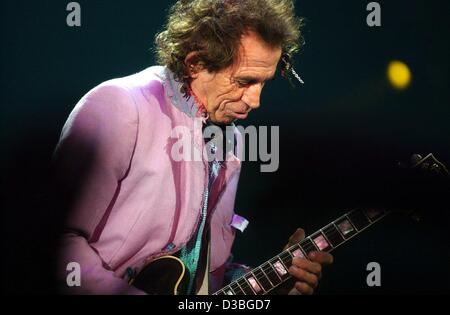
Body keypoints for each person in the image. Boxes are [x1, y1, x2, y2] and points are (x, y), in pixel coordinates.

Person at [53, 0, 333, 295]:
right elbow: (52, 241)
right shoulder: (119, 106)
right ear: (196, 64)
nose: (255, 100)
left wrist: (271, 283)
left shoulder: (231, 138)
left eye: (264, 83)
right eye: (245, 81)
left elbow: (199, 276)